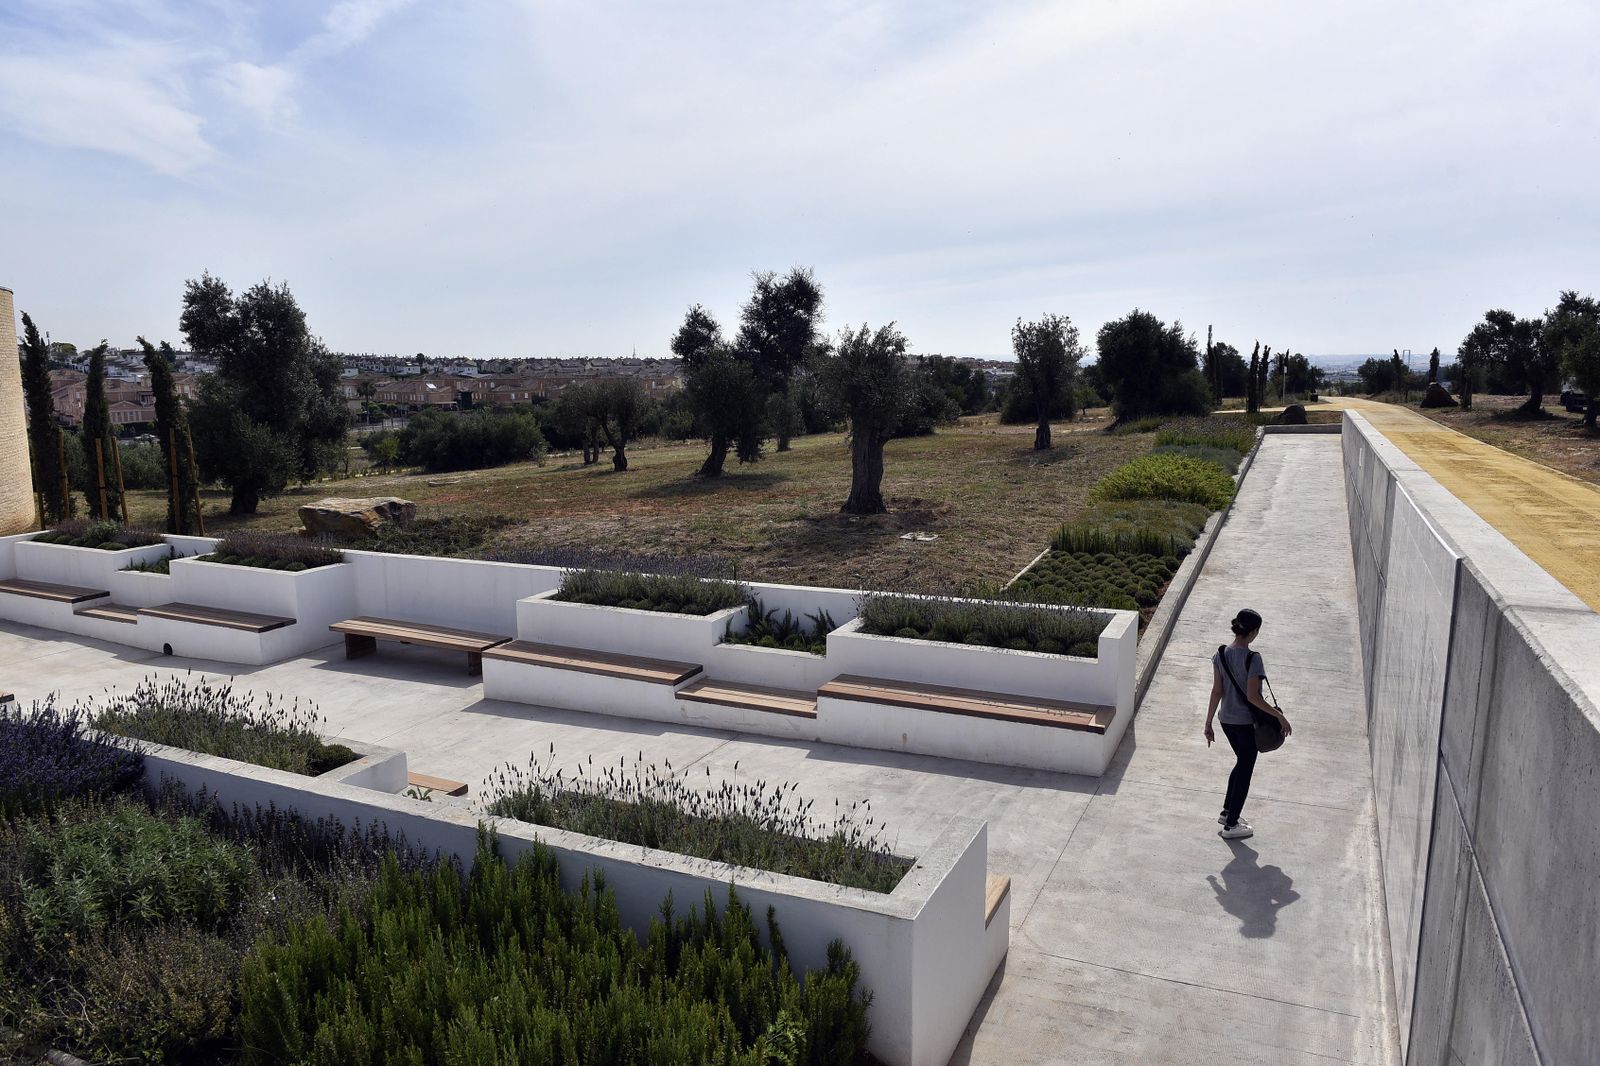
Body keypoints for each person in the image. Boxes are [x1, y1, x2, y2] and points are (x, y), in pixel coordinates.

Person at [1204, 608, 1291, 840]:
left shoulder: (1220, 654)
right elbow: (1254, 698)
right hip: (1244, 723)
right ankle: (1231, 825)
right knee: (1245, 768)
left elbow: (1216, 691)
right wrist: (1279, 716)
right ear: (1252, 631)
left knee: (1241, 762)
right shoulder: (1254, 659)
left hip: (1225, 720)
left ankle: (1226, 813)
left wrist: (1208, 722)